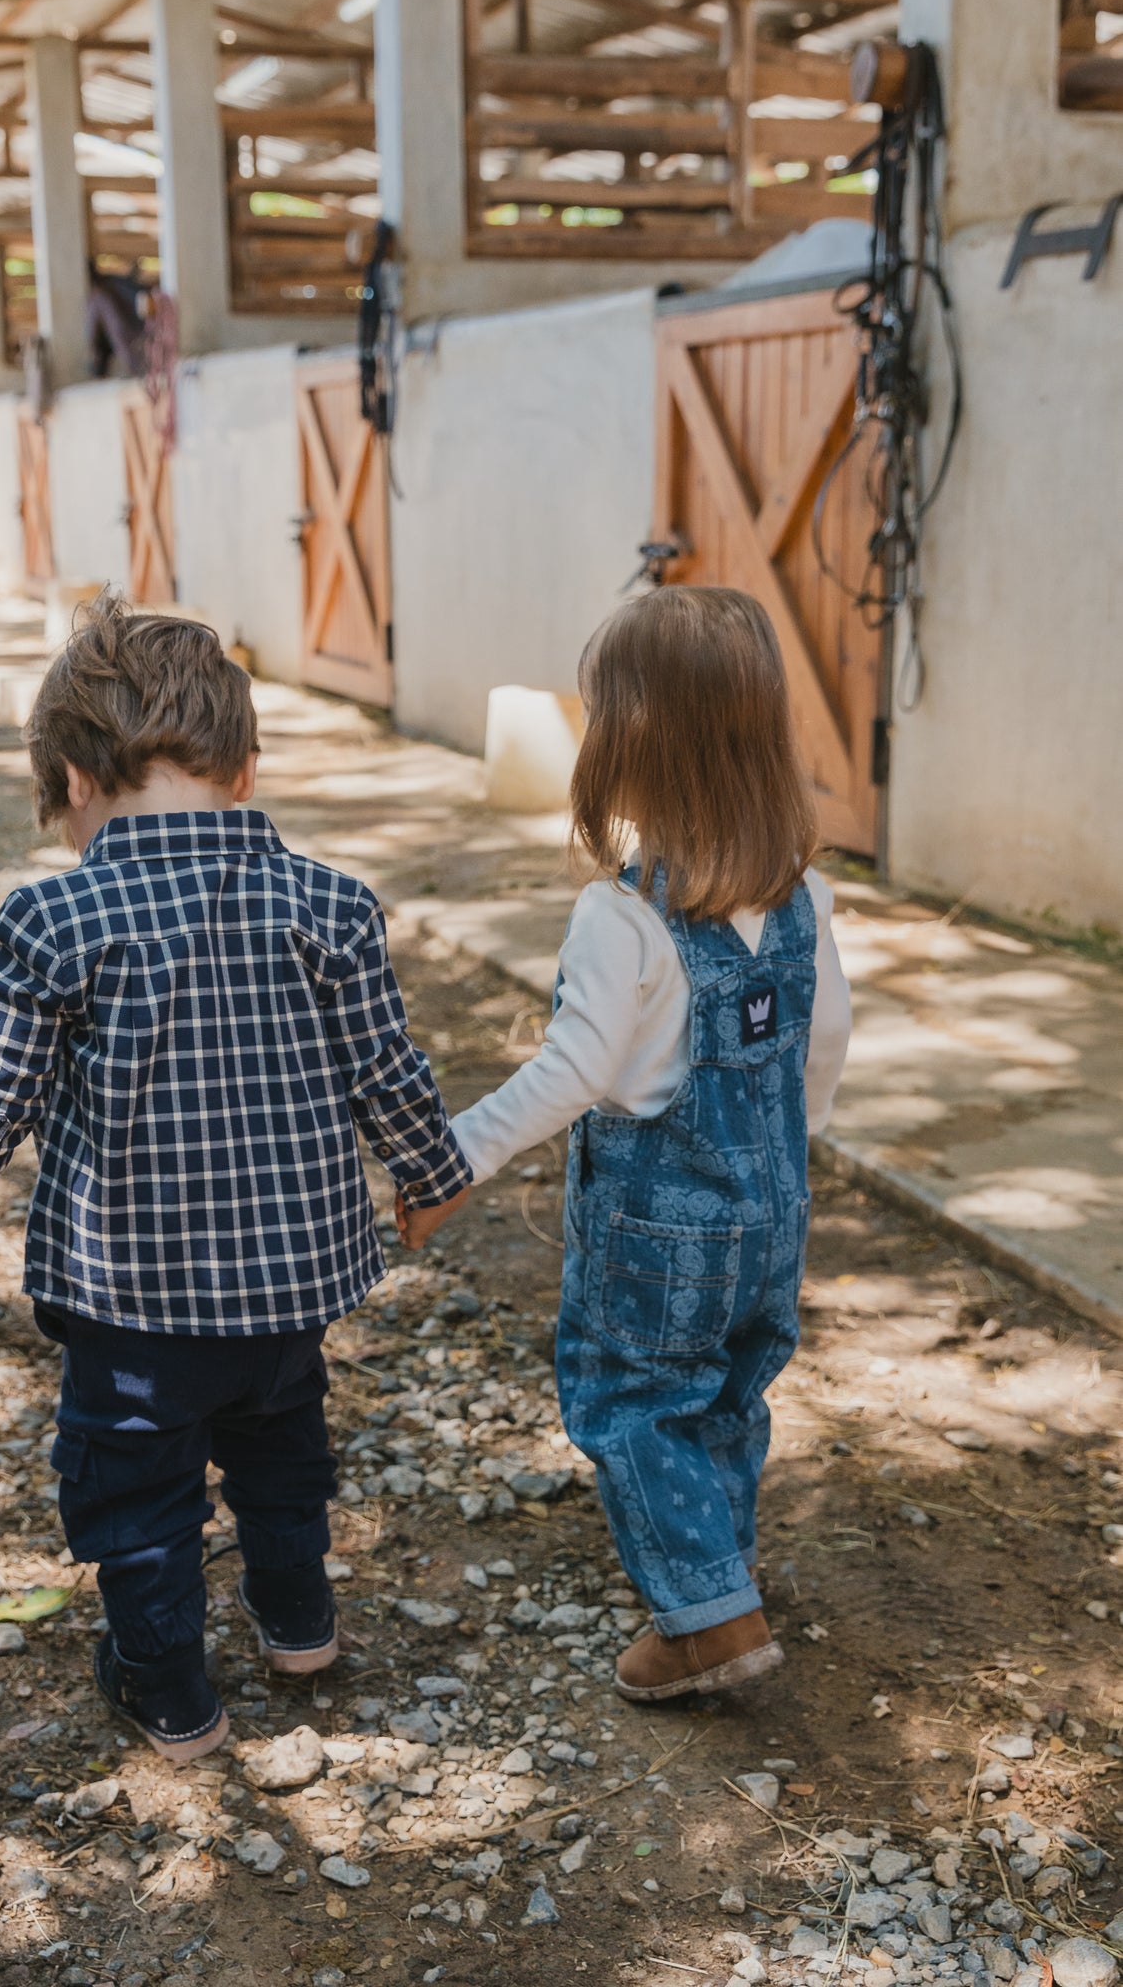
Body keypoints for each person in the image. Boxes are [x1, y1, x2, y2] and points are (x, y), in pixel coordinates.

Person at [0, 595, 470, 1762]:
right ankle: (299, 1625)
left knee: (138, 1494)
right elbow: (386, 1066)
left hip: (133, 1303)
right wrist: (427, 1170)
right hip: (290, 1287)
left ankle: (170, 1693)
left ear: (71, 777)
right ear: (245, 769)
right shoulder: (329, 904)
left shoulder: (56, 916)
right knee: (282, 1447)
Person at [404, 587, 850, 1702]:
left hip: (655, 1226)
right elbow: (824, 1047)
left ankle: (710, 1618)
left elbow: (574, 1071)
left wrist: (450, 1157)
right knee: (729, 1391)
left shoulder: (623, 913)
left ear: (627, 746)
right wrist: (787, 1163)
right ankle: (718, 1570)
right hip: (770, 1214)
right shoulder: (806, 900)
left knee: (630, 1396)